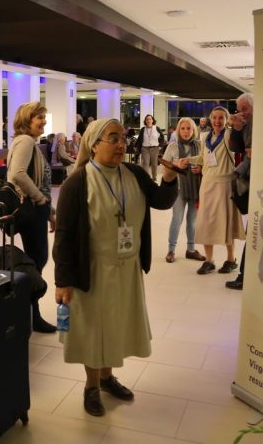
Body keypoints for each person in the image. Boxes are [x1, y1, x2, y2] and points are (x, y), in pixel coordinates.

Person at [53, 118, 178, 417]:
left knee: (116, 325)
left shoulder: (134, 173)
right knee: (93, 330)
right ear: (94, 145)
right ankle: (91, 386)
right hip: (93, 270)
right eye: (113, 139)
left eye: (122, 138)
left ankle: (107, 378)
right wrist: (63, 281)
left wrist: (170, 176)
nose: (121, 144)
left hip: (127, 269)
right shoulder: (77, 183)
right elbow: (64, 236)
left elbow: (161, 201)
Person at [177, 106, 245, 275]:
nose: (217, 121)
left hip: (225, 185)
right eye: (214, 117)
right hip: (207, 185)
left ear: (226, 120)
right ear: (210, 118)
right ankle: (209, 261)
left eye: (221, 117)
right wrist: (188, 160)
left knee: (227, 223)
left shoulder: (228, 135)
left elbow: (238, 139)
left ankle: (231, 260)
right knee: (206, 223)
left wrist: (234, 124)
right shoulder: (206, 136)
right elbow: (203, 158)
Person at [8, 102, 56, 333]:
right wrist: (40, 199)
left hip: (39, 209)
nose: (44, 122)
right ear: (27, 119)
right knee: (36, 263)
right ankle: (31, 316)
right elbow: (18, 174)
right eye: (39, 117)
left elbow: (39, 182)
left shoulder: (27, 142)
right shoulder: (26, 141)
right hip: (33, 210)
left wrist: (50, 210)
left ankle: (29, 314)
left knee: (36, 261)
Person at [161, 117, 205, 263]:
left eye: (189, 128)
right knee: (177, 219)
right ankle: (171, 250)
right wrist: (176, 165)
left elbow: (206, 164)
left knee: (192, 221)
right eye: (183, 128)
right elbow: (164, 166)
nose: (186, 131)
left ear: (194, 130)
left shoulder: (200, 145)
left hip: (195, 188)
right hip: (179, 189)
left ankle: (191, 250)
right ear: (178, 130)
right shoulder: (173, 146)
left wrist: (200, 169)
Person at [226, 93, 254, 290]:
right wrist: (236, 129)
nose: (242, 113)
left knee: (253, 230)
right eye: (240, 109)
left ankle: (245, 277)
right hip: (248, 180)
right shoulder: (244, 125)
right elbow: (236, 148)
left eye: (245, 109)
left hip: (260, 181)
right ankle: (244, 276)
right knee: (252, 230)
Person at [136, 114, 164, 180]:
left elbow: (162, 137)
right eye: (147, 119)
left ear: (152, 120)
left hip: (155, 148)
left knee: (154, 163)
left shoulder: (156, 128)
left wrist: (160, 145)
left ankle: (154, 177)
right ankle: (146, 178)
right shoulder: (143, 129)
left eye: (150, 119)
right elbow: (139, 138)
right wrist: (136, 146)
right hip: (145, 148)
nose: (148, 120)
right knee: (145, 163)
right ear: (145, 121)